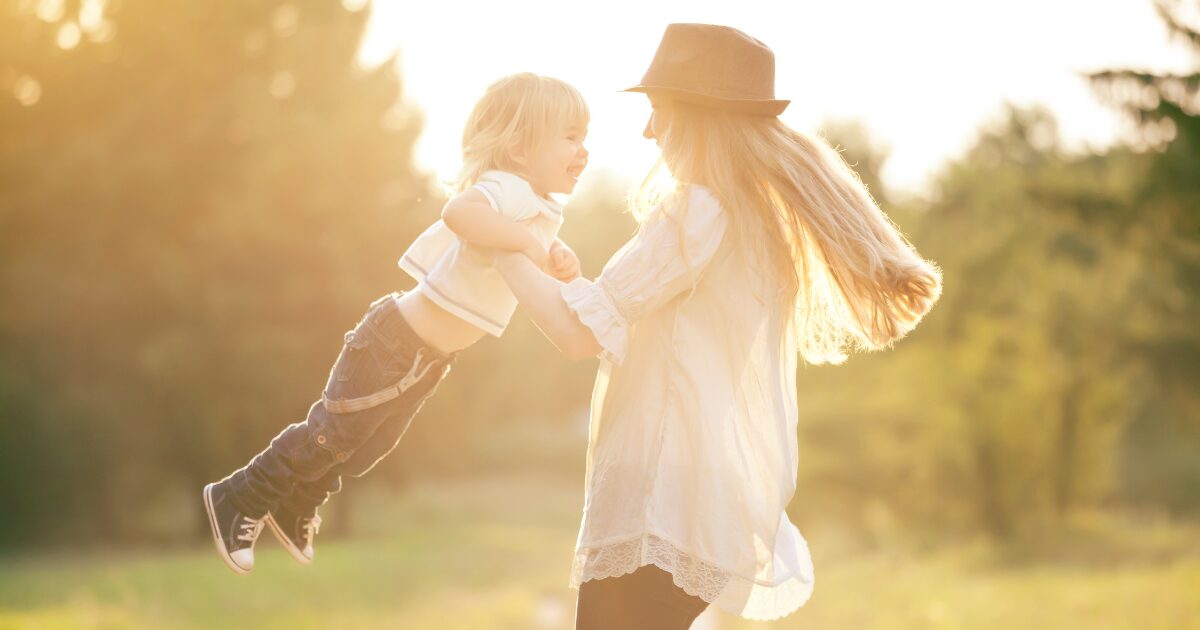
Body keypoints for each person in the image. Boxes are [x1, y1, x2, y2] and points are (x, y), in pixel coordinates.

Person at [491, 24, 942, 627]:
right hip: (697, 501)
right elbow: (626, 323)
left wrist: (498, 247)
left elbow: (579, 335)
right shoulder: (749, 218)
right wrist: (560, 275)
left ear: (696, 115)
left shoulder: (697, 211)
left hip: (660, 500)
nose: (647, 130)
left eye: (657, 111)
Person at [202, 72, 590, 575]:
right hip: (395, 343)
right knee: (332, 433)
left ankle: (299, 500)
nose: (583, 151)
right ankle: (239, 496)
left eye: (585, 138)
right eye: (571, 137)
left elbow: (518, 263)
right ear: (518, 149)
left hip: (426, 359)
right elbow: (460, 213)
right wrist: (534, 245)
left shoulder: (534, 206)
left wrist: (554, 258)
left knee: (363, 451)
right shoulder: (507, 189)